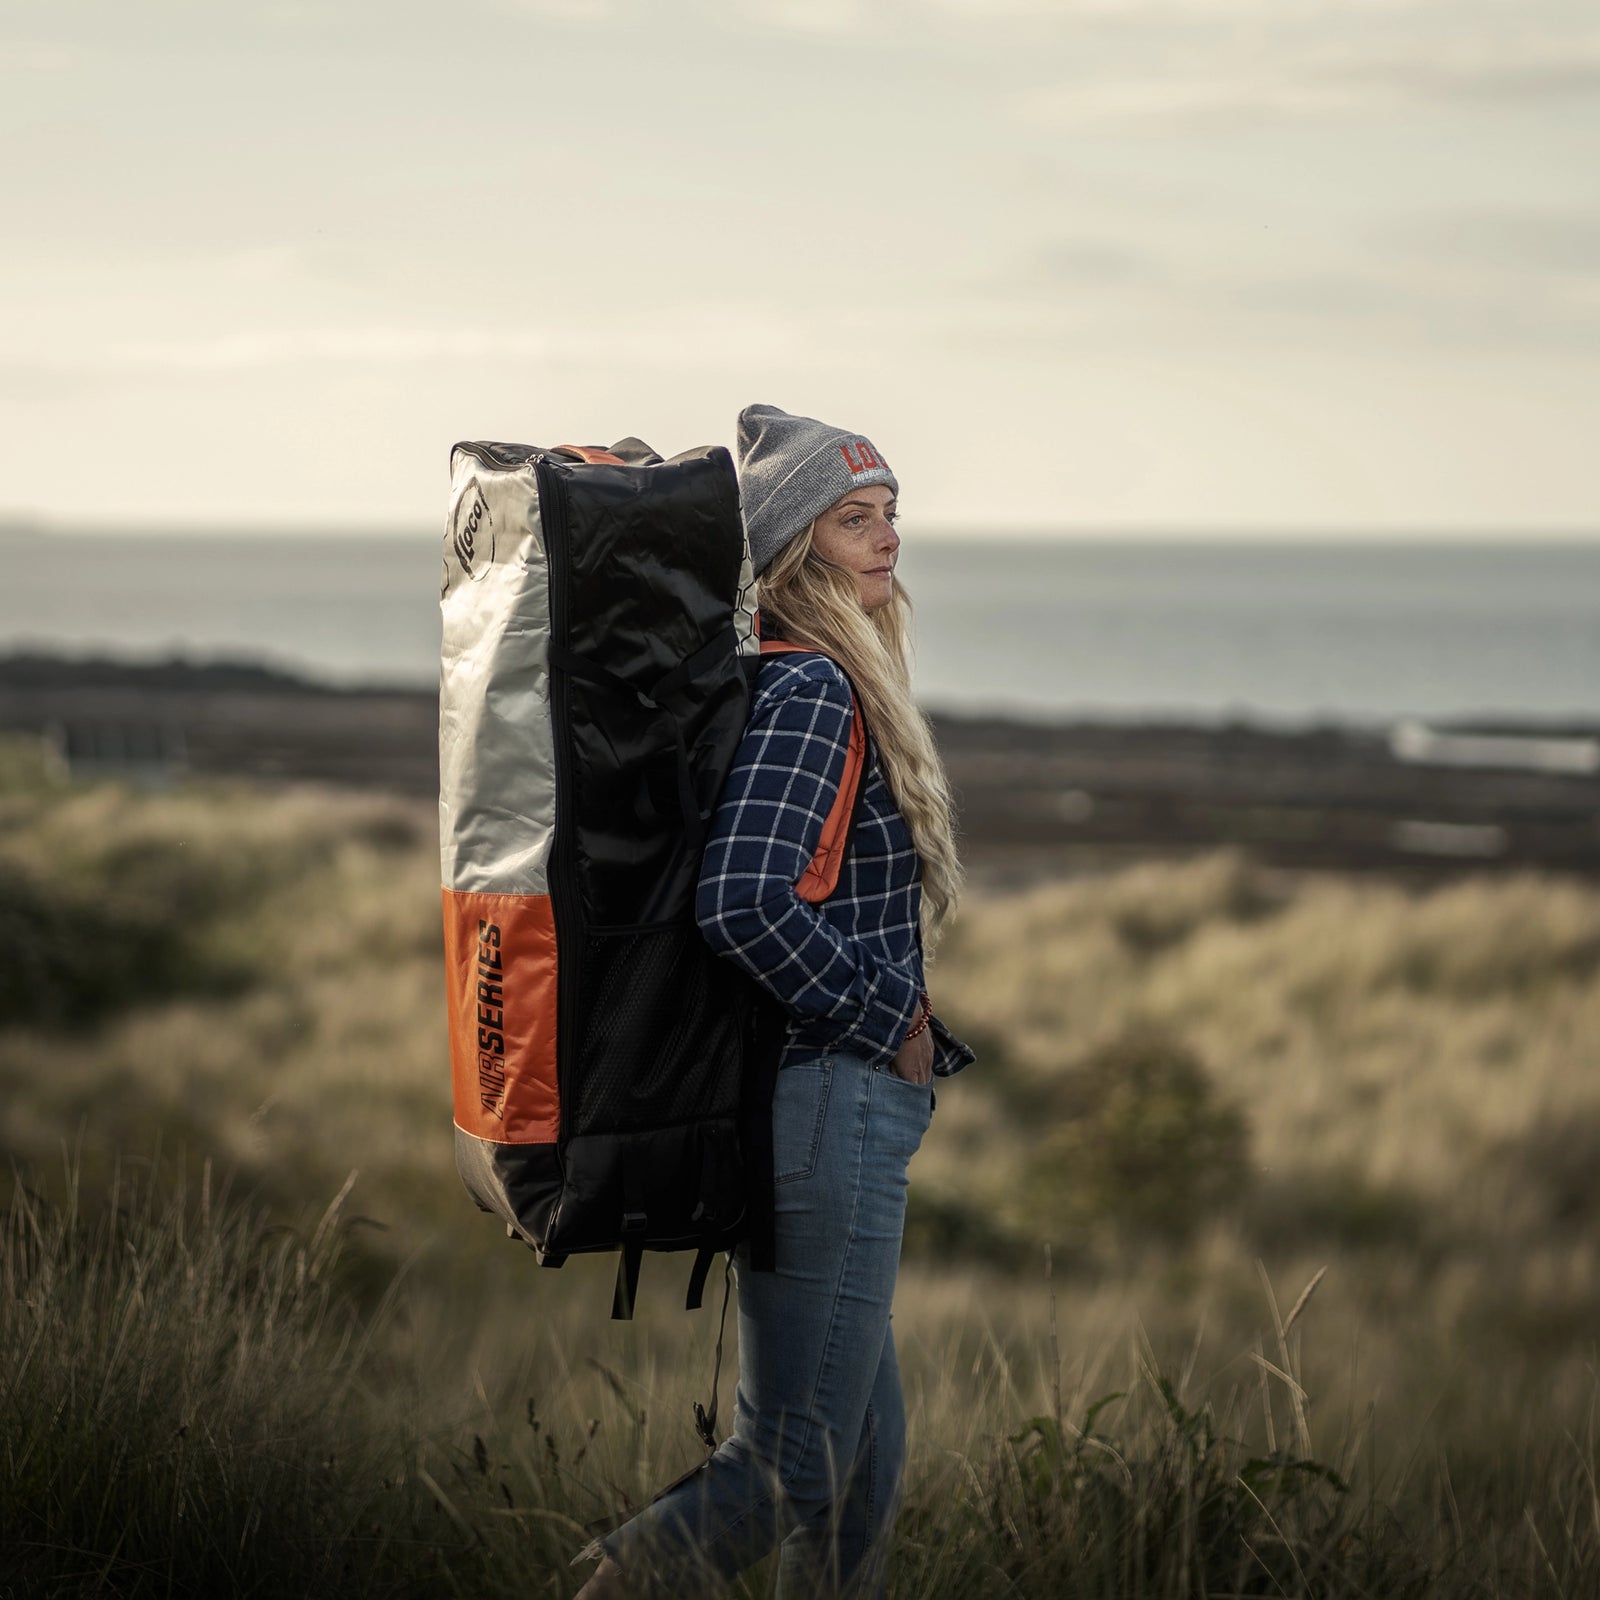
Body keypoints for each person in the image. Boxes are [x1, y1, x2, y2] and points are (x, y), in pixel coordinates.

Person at [576, 403, 974, 1598]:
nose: (886, 535)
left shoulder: (811, 676)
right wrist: (886, 1021)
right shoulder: (815, 693)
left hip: (833, 1105)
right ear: (798, 549)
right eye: (854, 519)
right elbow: (744, 901)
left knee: (858, 1476)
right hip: (833, 1105)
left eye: (890, 510)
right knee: (792, 1462)